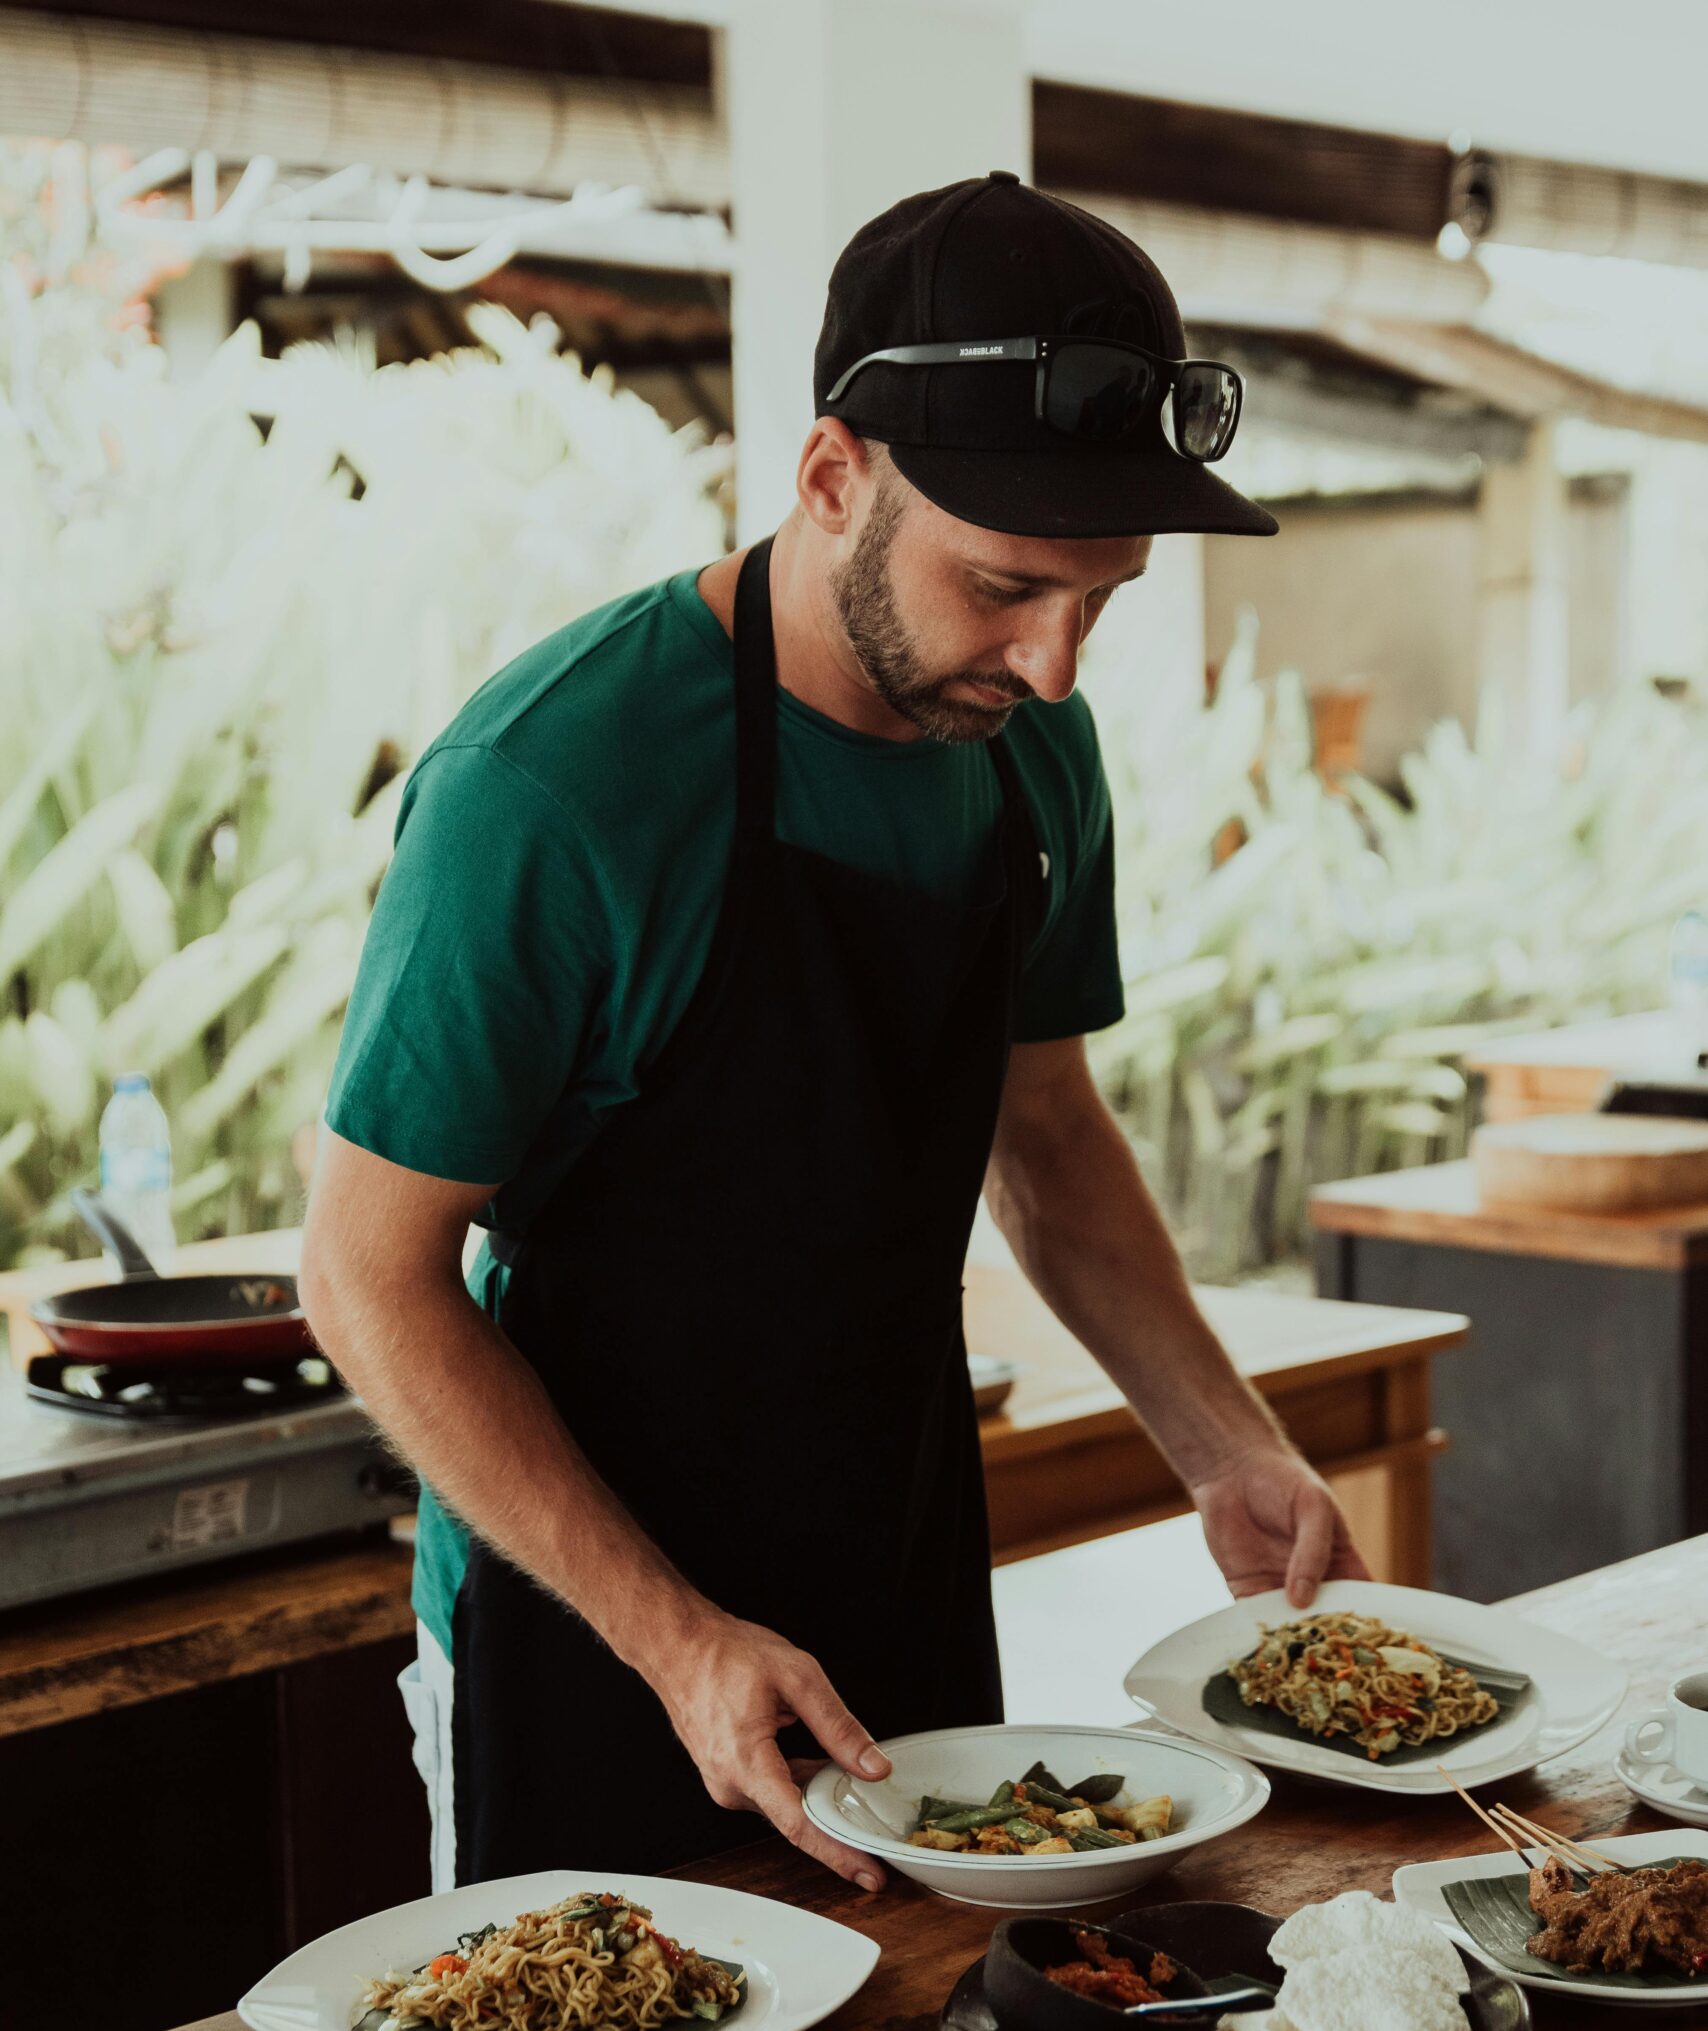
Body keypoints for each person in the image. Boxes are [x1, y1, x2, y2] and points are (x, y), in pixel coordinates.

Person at [300, 171, 1368, 1896]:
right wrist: (677, 1639)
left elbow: (1050, 1134)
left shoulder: (1026, 749)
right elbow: (366, 1276)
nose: (1053, 665)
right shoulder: (551, 787)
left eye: (1103, 598)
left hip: (902, 1577)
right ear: (830, 479)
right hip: (588, 1627)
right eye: (1006, 586)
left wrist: (1225, 1442)